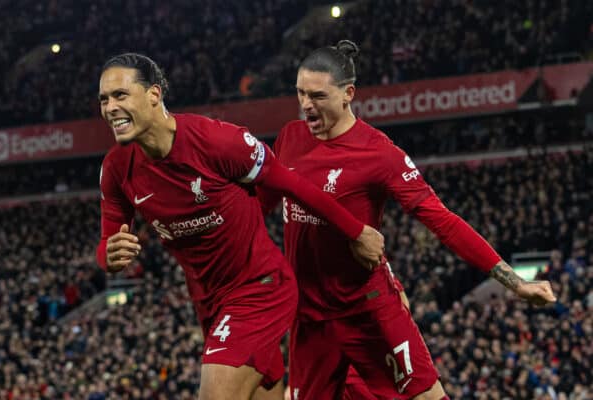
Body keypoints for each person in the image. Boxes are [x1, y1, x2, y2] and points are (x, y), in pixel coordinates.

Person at [258, 40, 556, 400]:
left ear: (348, 93)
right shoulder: (290, 137)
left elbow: (442, 220)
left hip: (367, 310)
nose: (306, 105)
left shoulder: (379, 153)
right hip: (311, 320)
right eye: (300, 93)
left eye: (318, 96)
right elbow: (262, 203)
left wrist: (514, 282)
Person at [95, 53, 385, 400]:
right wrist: (108, 256)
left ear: (154, 94)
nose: (110, 107)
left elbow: (291, 184)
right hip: (209, 304)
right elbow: (107, 244)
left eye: (120, 96)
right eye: (104, 99)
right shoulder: (116, 170)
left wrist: (356, 231)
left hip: (259, 288)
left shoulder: (216, 141)